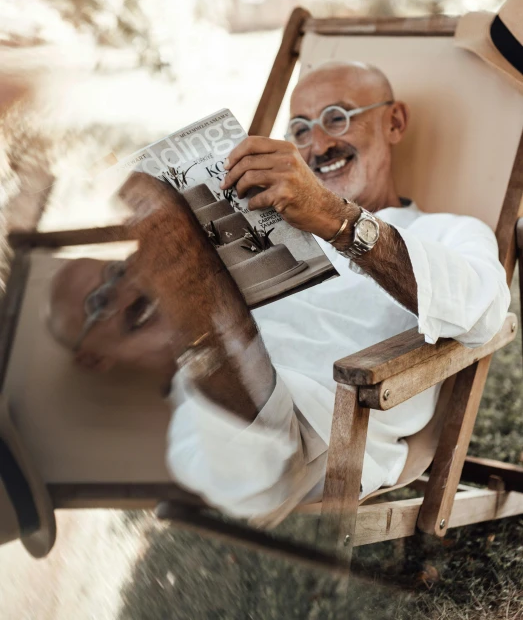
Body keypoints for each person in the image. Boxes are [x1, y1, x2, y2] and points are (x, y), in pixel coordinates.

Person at [48, 61, 510, 526]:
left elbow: (485, 314)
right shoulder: (271, 227)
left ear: (393, 122)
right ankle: (189, 276)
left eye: (338, 117)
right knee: (210, 447)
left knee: (241, 462)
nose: (320, 144)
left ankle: (188, 277)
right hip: (234, 398)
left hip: (331, 425)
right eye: (301, 129)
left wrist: (336, 219)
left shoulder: (444, 231)